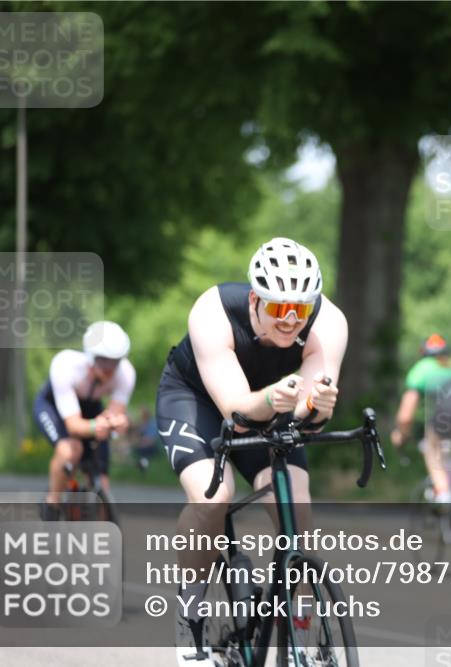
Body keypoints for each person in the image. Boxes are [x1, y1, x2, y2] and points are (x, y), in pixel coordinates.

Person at [155, 237, 345, 666]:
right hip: (198, 400)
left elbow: (309, 411)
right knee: (213, 497)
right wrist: (278, 399)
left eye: (301, 309)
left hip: (274, 402)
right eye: (280, 307)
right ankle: (190, 613)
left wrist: (316, 408)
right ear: (256, 300)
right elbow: (237, 411)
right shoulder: (213, 311)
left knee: (296, 506)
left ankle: (300, 633)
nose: (291, 319)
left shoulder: (329, 322)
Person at [33, 321, 135, 519]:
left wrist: (117, 424)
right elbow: (73, 426)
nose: (109, 369)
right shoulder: (65, 365)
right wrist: (97, 425)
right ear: (90, 357)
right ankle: (52, 503)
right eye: (103, 361)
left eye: (115, 362)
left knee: (102, 480)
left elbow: (114, 416)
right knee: (71, 449)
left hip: (91, 408)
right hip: (53, 408)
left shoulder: (126, 373)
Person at [391, 334, 451, 505]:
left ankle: (443, 493)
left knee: (431, 447)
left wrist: (402, 434)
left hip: (447, 413)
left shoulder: (422, 368)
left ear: (424, 354)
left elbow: (406, 415)